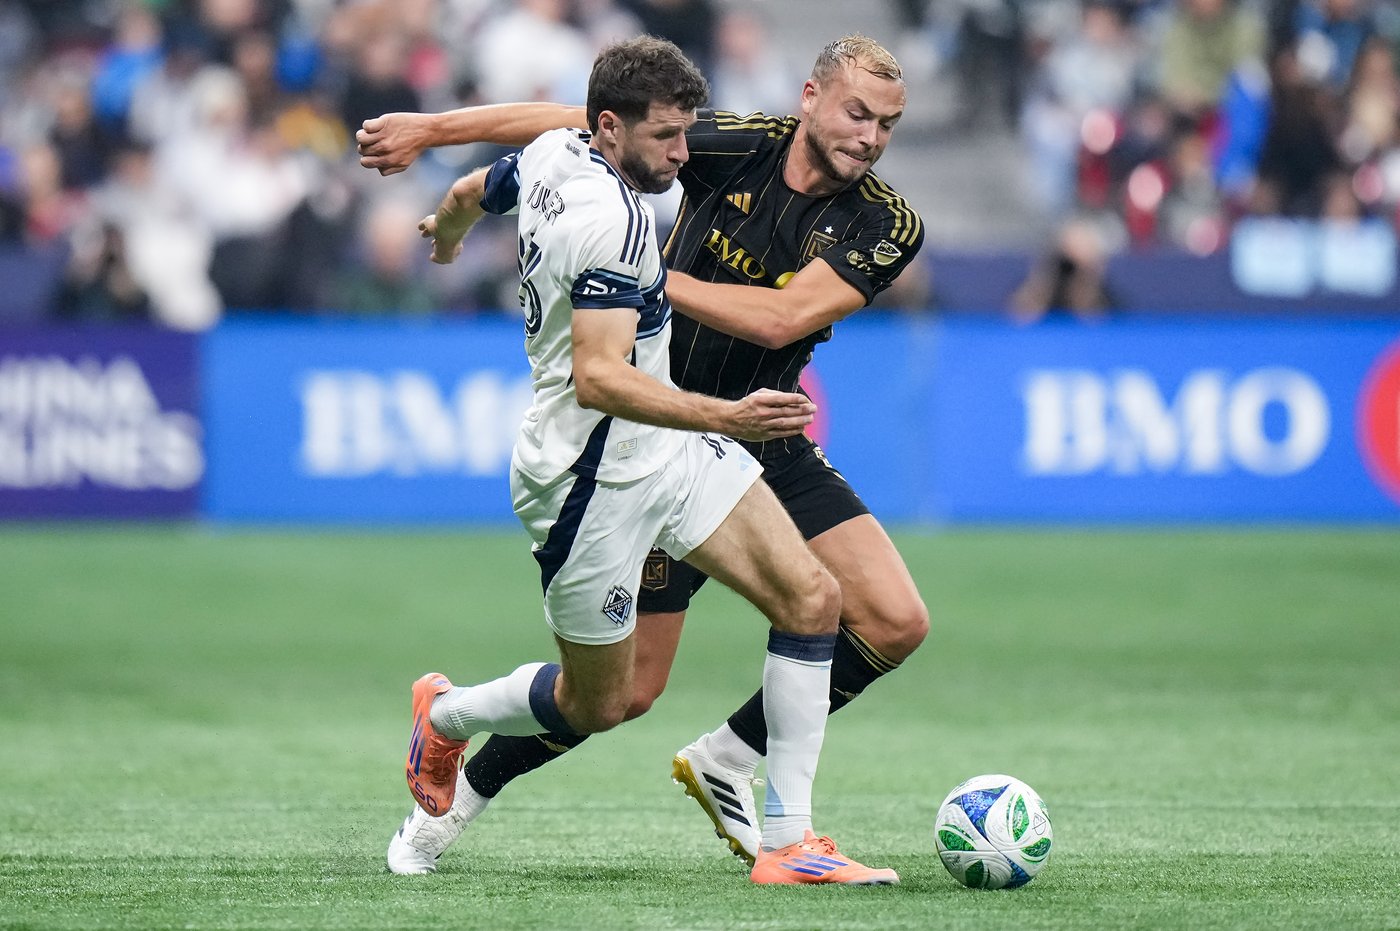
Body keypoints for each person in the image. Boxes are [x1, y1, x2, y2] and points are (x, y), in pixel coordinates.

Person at [362, 34, 928, 874]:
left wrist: (643, 279)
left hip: (758, 431)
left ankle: (745, 782)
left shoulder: (886, 223)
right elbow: (578, 119)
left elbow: (780, 320)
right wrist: (432, 128)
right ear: (811, 98)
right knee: (619, 694)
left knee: (882, 616)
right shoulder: (737, 143)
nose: (870, 137)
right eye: (857, 113)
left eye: (887, 124)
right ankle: (452, 780)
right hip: (651, 427)